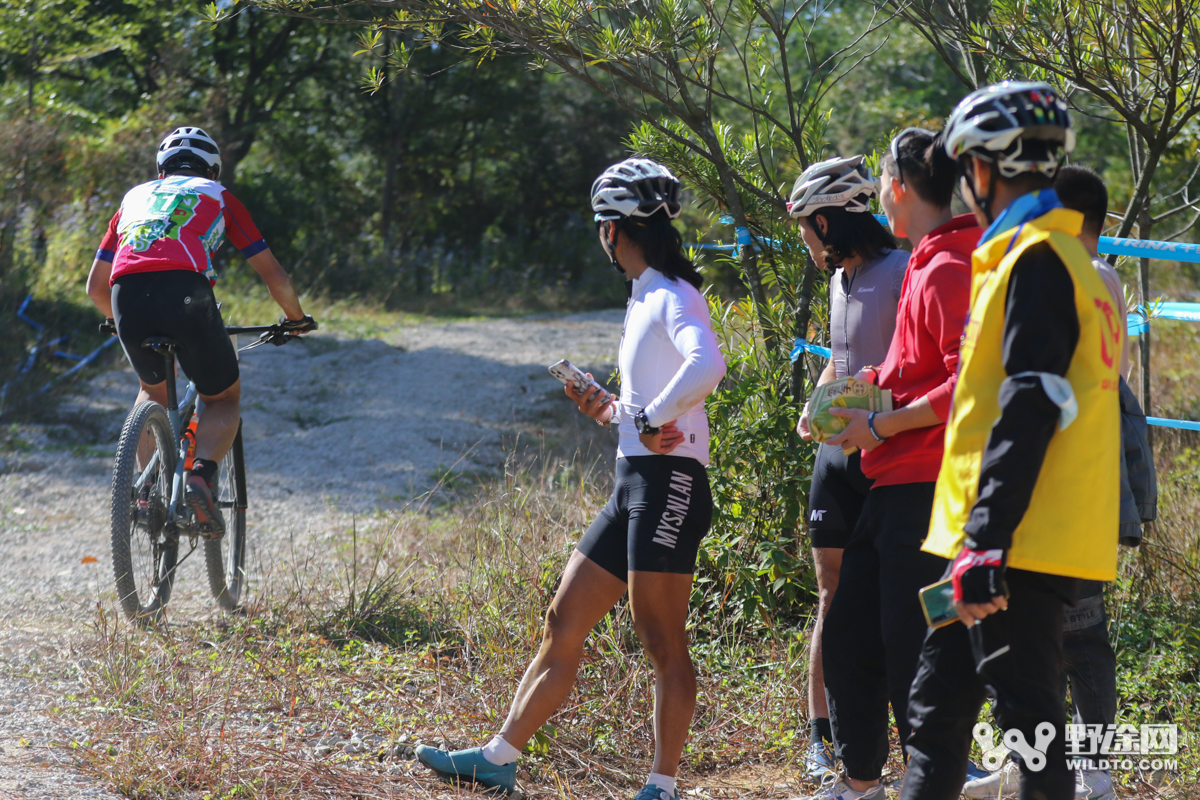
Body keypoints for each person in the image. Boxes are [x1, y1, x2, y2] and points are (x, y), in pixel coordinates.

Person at [414, 158, 726, 800]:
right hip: (633, 484)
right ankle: (499, 757)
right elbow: (643, 410)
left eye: (599, 225)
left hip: (669, 487)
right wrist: (609, 408)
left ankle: (662, 785)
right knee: (564, 619)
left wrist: (649, 415)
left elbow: (708, 364)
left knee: (660, 637)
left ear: (612, 229)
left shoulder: (671, 292)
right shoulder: (645, 293)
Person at [900, 82, 1122, 800]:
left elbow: (1033, 401)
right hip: (992, 538)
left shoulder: (1039, 261)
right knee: (935, 720)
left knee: (1029, 731)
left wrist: (988, 541)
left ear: (987, 169)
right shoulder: (1064, 263)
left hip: (1013, 545)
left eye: (968, 170)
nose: (966, 186)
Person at [961, 164, 1157, 800]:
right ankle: (1041, 765)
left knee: (1075, 635)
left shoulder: (1081, 275)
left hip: (1065, 488)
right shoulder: (1096, 277)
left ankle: (1080, 768)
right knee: (1046, 640)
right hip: (1077, 488)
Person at [800, 129, 979, 800]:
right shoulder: (924, 258)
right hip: (891, 481)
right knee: (851, 632)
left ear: (899, 188)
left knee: (913, 649)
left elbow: (970, 384)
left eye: (881, 184)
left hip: (924, 485)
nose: (878, 198)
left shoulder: (942, 269)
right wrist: (843, 401)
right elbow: (902, 369)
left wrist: (879, 424)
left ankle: (936, 780)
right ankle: (863, 781)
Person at [85, 126, 313, 538]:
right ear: (213, 170)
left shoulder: (133, 198)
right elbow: (275, 276)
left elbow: (94, 288)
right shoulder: (219, 195)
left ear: (160, 169)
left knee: (151, 390)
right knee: (223, 398)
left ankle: (145, 491)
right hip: (186, 293)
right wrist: (295, 319)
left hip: (126, 297)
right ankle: (200, 478)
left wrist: (119, 321)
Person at [787, 155, 908, 785]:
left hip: (887, 456)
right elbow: (840, 359)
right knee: (831, 597)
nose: (806, 242)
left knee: (901, 603)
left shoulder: (903, 270)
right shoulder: (838, 280)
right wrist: (815, 404)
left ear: (829, 222)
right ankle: (822, 734)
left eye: (807, 229)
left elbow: (906, 368)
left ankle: (926, 741)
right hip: (836, 459)